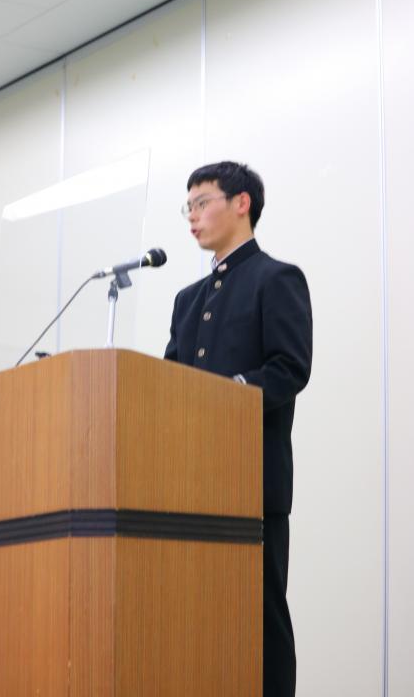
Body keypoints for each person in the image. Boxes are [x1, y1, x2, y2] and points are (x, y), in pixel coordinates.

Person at [164, 161, 312, 697]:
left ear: (241, 203)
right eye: (188, 207)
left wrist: (227, 394)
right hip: (190, 490)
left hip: (253, 486)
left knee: (261, 621)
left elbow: (290, 369)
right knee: (199, 622)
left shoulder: (277, 278)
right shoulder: (187, 300)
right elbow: (167, 386)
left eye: (201, 203)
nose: (192, 217)